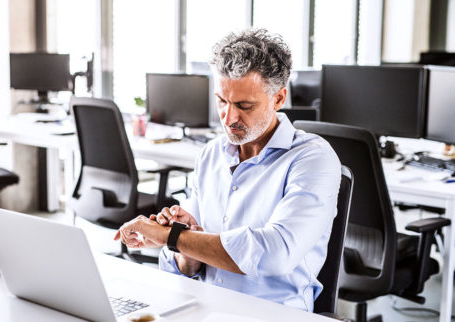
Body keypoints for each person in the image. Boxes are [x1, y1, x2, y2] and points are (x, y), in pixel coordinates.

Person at [114, 28, 341, 312]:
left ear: (279, 99)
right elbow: (185, 267)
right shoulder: (212, 154)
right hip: (203, 306)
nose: (229, 117)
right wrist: (188, 238)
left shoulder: (312, 159)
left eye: (244, 105)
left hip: (271, 313)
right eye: (222, 101)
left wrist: (172, 237)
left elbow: (275, 255)